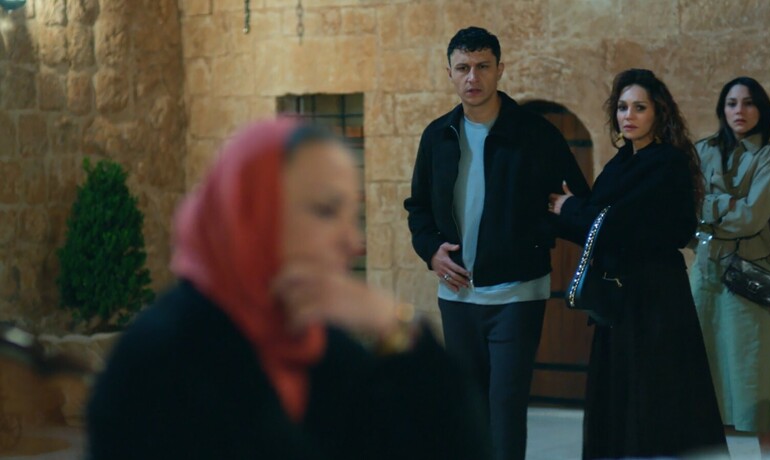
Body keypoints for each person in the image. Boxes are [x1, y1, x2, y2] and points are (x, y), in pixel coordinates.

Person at [86, 118, 492, 460]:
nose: (353, 242)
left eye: (354, 216)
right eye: (326, 210)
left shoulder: (318, 347)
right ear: (252, 212)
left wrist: (394, 324)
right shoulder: (161, 359)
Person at [403, 26, 590, 460]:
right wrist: (431, 250)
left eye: (483, 66)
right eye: (463, 68)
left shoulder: (536, 134)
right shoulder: (437, 135)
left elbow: (575, 202)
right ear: (449, 73)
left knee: (505, 408)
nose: (473, 77)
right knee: (468, 410)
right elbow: (418, 207)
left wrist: (537, 236)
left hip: (517, 293)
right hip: (457, 294)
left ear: (500, 69)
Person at [548, 69, 728, 459]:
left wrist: (572, 208)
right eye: (622, 107)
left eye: (639, 108)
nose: (628, 115)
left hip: (657, 298)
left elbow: (619, 223)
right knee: (619, 399)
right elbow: (597, 228)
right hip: (619, 300)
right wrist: (558, 212)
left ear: (658, 113)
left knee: (655, 399)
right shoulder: (619, 165)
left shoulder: (667, 163)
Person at [689, 76, 770, 459]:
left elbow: (751, 216)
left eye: (748, 103)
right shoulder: (702, 150)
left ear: (761, 109)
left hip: (749, 275)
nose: (740, 111)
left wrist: (711, 205)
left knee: (759, 373)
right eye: (732, 103)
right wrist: (727, 206)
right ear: (722, 109)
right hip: (705, 274)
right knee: (702, 373)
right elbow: (688, 206)